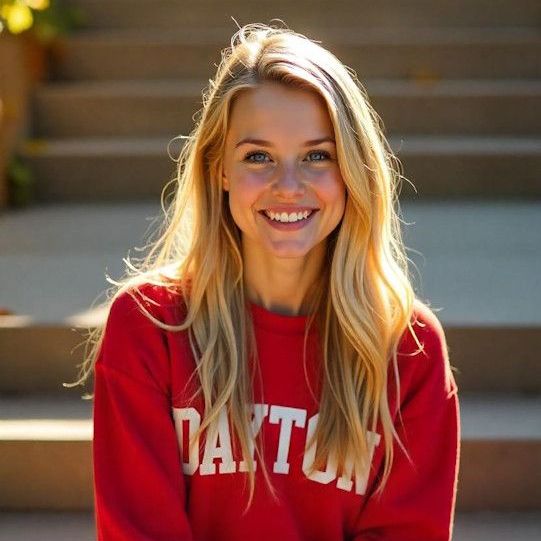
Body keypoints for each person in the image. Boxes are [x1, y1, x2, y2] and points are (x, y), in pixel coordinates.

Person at [75, 22, 460, 541]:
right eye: (258, 156)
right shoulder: (150, 326)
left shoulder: (407, 350)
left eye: (317, 156)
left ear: (352, 171)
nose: (289, 187)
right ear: (219, 170)